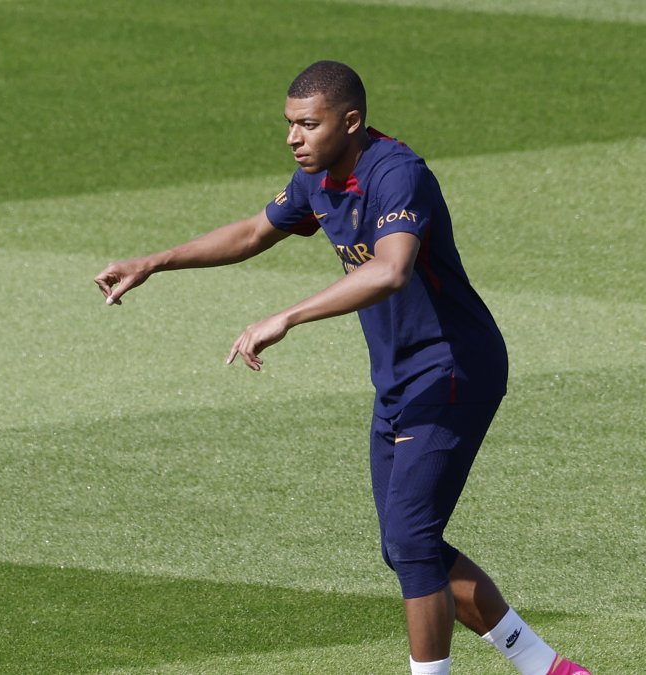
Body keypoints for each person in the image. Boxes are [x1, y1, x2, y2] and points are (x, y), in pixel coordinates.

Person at [94, 61, 588, 675]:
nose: (292, 138)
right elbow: (253, 232)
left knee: (410, 543)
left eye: (308, 124)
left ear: (350, 122)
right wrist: (154, 260)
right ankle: (550, 669)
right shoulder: (319, 178)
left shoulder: (396, 174)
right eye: (288, 125)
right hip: (400, 377)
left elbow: (391, 269)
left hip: (452, 369)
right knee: (407, 547)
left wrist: (286, 317)